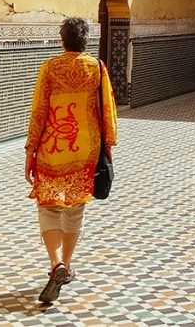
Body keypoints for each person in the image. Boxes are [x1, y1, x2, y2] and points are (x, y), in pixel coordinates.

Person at [25, 16, 117, 304]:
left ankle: (56, 264)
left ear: (62, 40)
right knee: (75, 208)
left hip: (53, 148)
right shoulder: (97, 68)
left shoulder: (50, 68)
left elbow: (39, 110)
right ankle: (68, 262)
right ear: (85, 40)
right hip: (85, 149)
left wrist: (30, 150)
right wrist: (108, 145)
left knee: (49, 205)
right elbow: (107, 108)